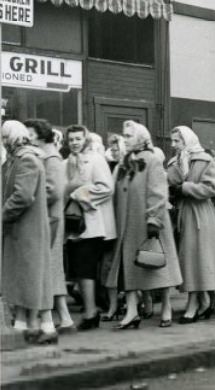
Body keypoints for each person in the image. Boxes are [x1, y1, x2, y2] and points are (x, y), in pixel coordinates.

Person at [106, 120, 182, 329]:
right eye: (124, 135)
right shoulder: (125, 161)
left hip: (148, 221)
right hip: (128, 224)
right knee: (129, 267)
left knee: (156, 264)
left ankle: (166, 307)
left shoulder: (152, 159)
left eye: (129, 135)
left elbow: (158, 192)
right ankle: (132, 312)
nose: (125, 139)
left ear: (141, 138)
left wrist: (154, 220)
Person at [166, 126, 215, 324]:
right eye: (173, 141)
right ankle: (207, 298)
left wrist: (184, 187)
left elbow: (211, 188)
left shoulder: (204, 160)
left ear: (187, 140)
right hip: (183, 213)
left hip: (201, 213)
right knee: (191, 258)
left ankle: (194, 304)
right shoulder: (173, 162)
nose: (173, 144)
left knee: (197, 258)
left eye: (177, 141)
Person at [1, 120, 56, 344]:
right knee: (24, 279)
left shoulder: (26, 160)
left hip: (27, 229)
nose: (3, 142)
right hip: (21, 229)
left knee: (31, 278)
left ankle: (44, 328)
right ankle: (26, 327)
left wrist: (3, 214)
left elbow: (23, 196)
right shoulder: (18, 160)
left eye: (5, 137)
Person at [24, 119, 75, 333]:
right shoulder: (45, 156)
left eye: (31, 134)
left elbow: (53, 191)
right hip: (47, 219)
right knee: (51, 269)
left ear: (41, 136)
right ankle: (64, 318)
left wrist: (30, 195)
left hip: (49, 220)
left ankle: (53, 320)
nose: (28, 138)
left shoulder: (51, 157)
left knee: (50, 268)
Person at [64, 124, 117, 330]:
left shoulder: (96, 159)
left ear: (85, 140)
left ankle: (91, 313)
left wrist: (79, 193)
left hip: (91, 224)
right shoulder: (66, 162)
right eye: (71, 140)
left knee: (86, 269)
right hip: (72, 224)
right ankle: (90, 311)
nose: (75, 143)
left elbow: (106, 188)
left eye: (78, 139)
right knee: (79, 270)